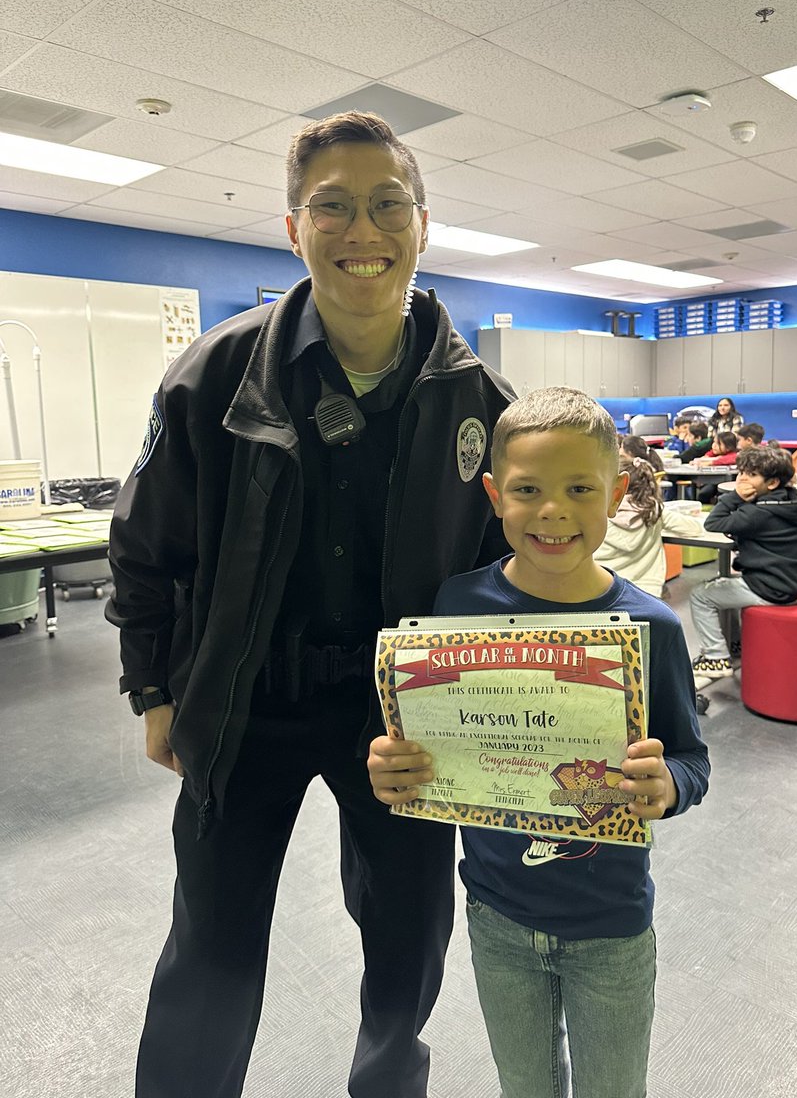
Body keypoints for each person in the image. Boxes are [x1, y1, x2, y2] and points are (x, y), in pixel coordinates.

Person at [105, 110, 515, 1098]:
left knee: (409, 939)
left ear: (423, 223)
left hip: (406, 726)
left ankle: (385, 1085)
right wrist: (154, 689)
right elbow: (144, 548)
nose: (361, 230)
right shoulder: (212, 377)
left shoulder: (481, 403)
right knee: (211, 942)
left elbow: (510, 575)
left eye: (386, 204)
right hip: (245, 706)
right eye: (331, 207)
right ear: (294, 228)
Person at [368, 387, 709, 1098]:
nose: (552, 510)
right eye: (528, 490)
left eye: (579, 488)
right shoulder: (456, 605)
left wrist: (667, 784)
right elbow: (431, 743)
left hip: (611, 924)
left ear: (616, 493)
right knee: (523, 1087)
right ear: (494, 495)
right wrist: (396, 765)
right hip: (496, 915)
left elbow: (691, 758)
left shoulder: (653, 627)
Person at [690, 447, 797, 687]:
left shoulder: (758, 512)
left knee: (700, 595)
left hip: (771, 588)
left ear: (773, 482)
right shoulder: (786, 503)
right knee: (722, 586)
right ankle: (735, 645)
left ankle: (715, 656)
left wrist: (734, 497)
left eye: (752, 474)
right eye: (741, 472)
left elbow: (713, 522)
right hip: (791, 583)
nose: (743, 479)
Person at [593, 457, 704, 597]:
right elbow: (695, 528)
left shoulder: (597, 513)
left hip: (605, 591)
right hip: (648, 593)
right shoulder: (655, 511)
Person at [695, 431, 739, 504]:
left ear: (728, 447)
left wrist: (710, 462)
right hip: (713, 482)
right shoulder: (715, 453)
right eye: (714, 442)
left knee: (707, 494)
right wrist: (701, 460)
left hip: (727, 482)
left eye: (718, 444)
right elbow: (705, 457)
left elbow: (730, 459)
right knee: (702, 494)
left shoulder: (734, 455)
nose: (714, 446)